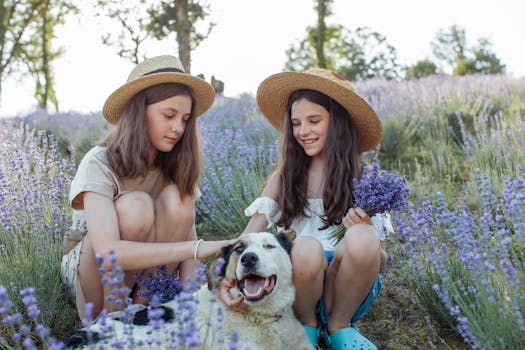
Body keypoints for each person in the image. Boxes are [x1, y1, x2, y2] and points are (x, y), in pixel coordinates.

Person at [219, 68, 393, 349]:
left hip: (347, 287)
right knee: (305, 247)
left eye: (314, 121)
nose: (303, 131)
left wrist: (366, 229)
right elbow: (249, 237)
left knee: (362, 237)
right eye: (296, 123)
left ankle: (340, 328)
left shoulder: (365, 179)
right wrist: (225, 272)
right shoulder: (284, 178)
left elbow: (381, 260)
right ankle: (305, 329)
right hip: (297, 287)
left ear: (338, 123)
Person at [60, 55, 236, 320]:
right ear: (139, 111)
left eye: (185, 119)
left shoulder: (176, 164)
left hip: (147, 283)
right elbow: (107, 255)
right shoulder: (101, 161)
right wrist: (197, 248)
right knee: (136, 206)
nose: (178, 128)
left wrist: (199, 303)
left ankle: (143, 311)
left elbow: (188, 235)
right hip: (94, 280)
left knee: (179, 198)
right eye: (169, 115)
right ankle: (111, 322)